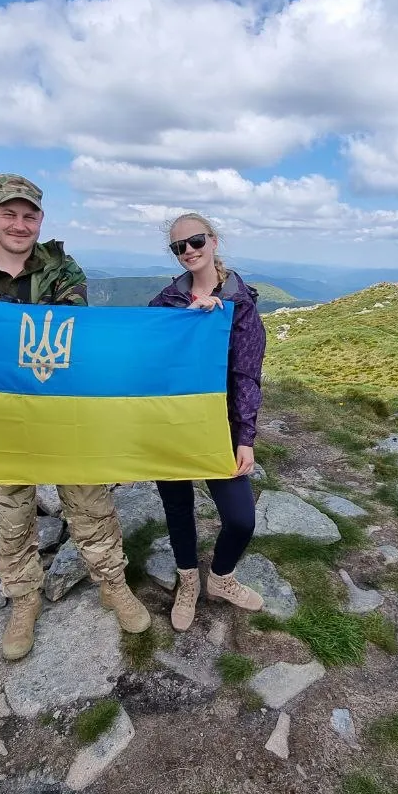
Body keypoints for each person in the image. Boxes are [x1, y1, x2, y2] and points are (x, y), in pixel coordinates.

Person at [0, 172, 151, 660]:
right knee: (11, 512)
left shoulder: (63, 270)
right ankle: (24, 600)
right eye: (9, 213)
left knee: (90, 502)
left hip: (62, 415)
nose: (19, 225)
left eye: (29, 216)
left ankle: (112, 583)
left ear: (41, 219)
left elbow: (76, 334)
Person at [148, 212, 267, 631]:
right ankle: (187, 581)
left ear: (214, 240)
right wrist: (189, 326)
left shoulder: (241, 305)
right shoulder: (165, 303)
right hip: (172, 424)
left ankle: (221, 578)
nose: (188, 251)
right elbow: (145, 352)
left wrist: (245, 437)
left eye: (195, 241)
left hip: (219, 427)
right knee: (177, 508)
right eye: (178, 246)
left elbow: (247, 375)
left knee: (240, 518)